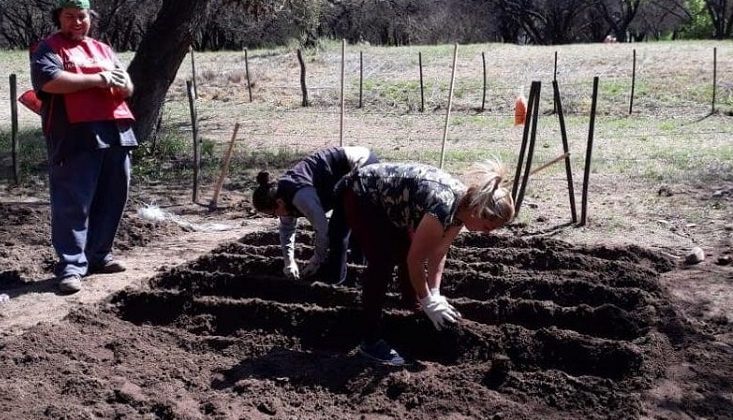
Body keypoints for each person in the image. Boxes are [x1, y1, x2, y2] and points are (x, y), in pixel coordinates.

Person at [338, 160, 515, 365]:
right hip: (363, 194)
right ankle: (370, 342)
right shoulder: (443, 207)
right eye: (487, 227)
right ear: (478, 211)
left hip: (391, 204)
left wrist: (435, 294)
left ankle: (413, 309)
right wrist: (427, 299)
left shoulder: (461, 210)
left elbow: (439, 251)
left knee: (405, 250)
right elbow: (417, 260)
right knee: (382, 263)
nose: (487, 234)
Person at [30, 0, 138, 293]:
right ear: (58, 18)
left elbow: (126, 85)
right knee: (73, 203)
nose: (77, 22)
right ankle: (70, 267)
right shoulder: (48, 48)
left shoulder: (103, 48)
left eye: (82, 16)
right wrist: (99, 79)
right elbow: (51, 81)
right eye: (69, 17)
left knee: (113, 196)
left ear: (90, 18)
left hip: (116, 130)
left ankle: (100, 255)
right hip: (75, 133)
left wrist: (122, 83)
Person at [252, 146, 378, 284]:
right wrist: (289, 263)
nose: (277, 218)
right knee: (347, 223)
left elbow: (322, 230)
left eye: (273, 214)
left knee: (337, 232)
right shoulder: (281, 198)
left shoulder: (301, 196)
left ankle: (337, 281)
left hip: (362, 164)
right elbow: (286, 230)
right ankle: (356, 271)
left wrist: (316, 261)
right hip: (342, 178)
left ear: (279, 203)